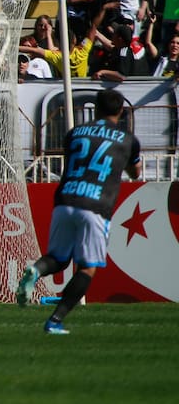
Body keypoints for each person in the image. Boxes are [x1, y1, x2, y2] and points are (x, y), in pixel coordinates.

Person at [16, 88, 141, 334]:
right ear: (121, 111)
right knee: (87, 267)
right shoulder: (127, 139)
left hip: (65, 199)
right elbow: (135, 173)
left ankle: (36, 270)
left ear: (96, 108)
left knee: (59, 258)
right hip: (95, 204)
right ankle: (55, 321)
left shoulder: (75, 133)